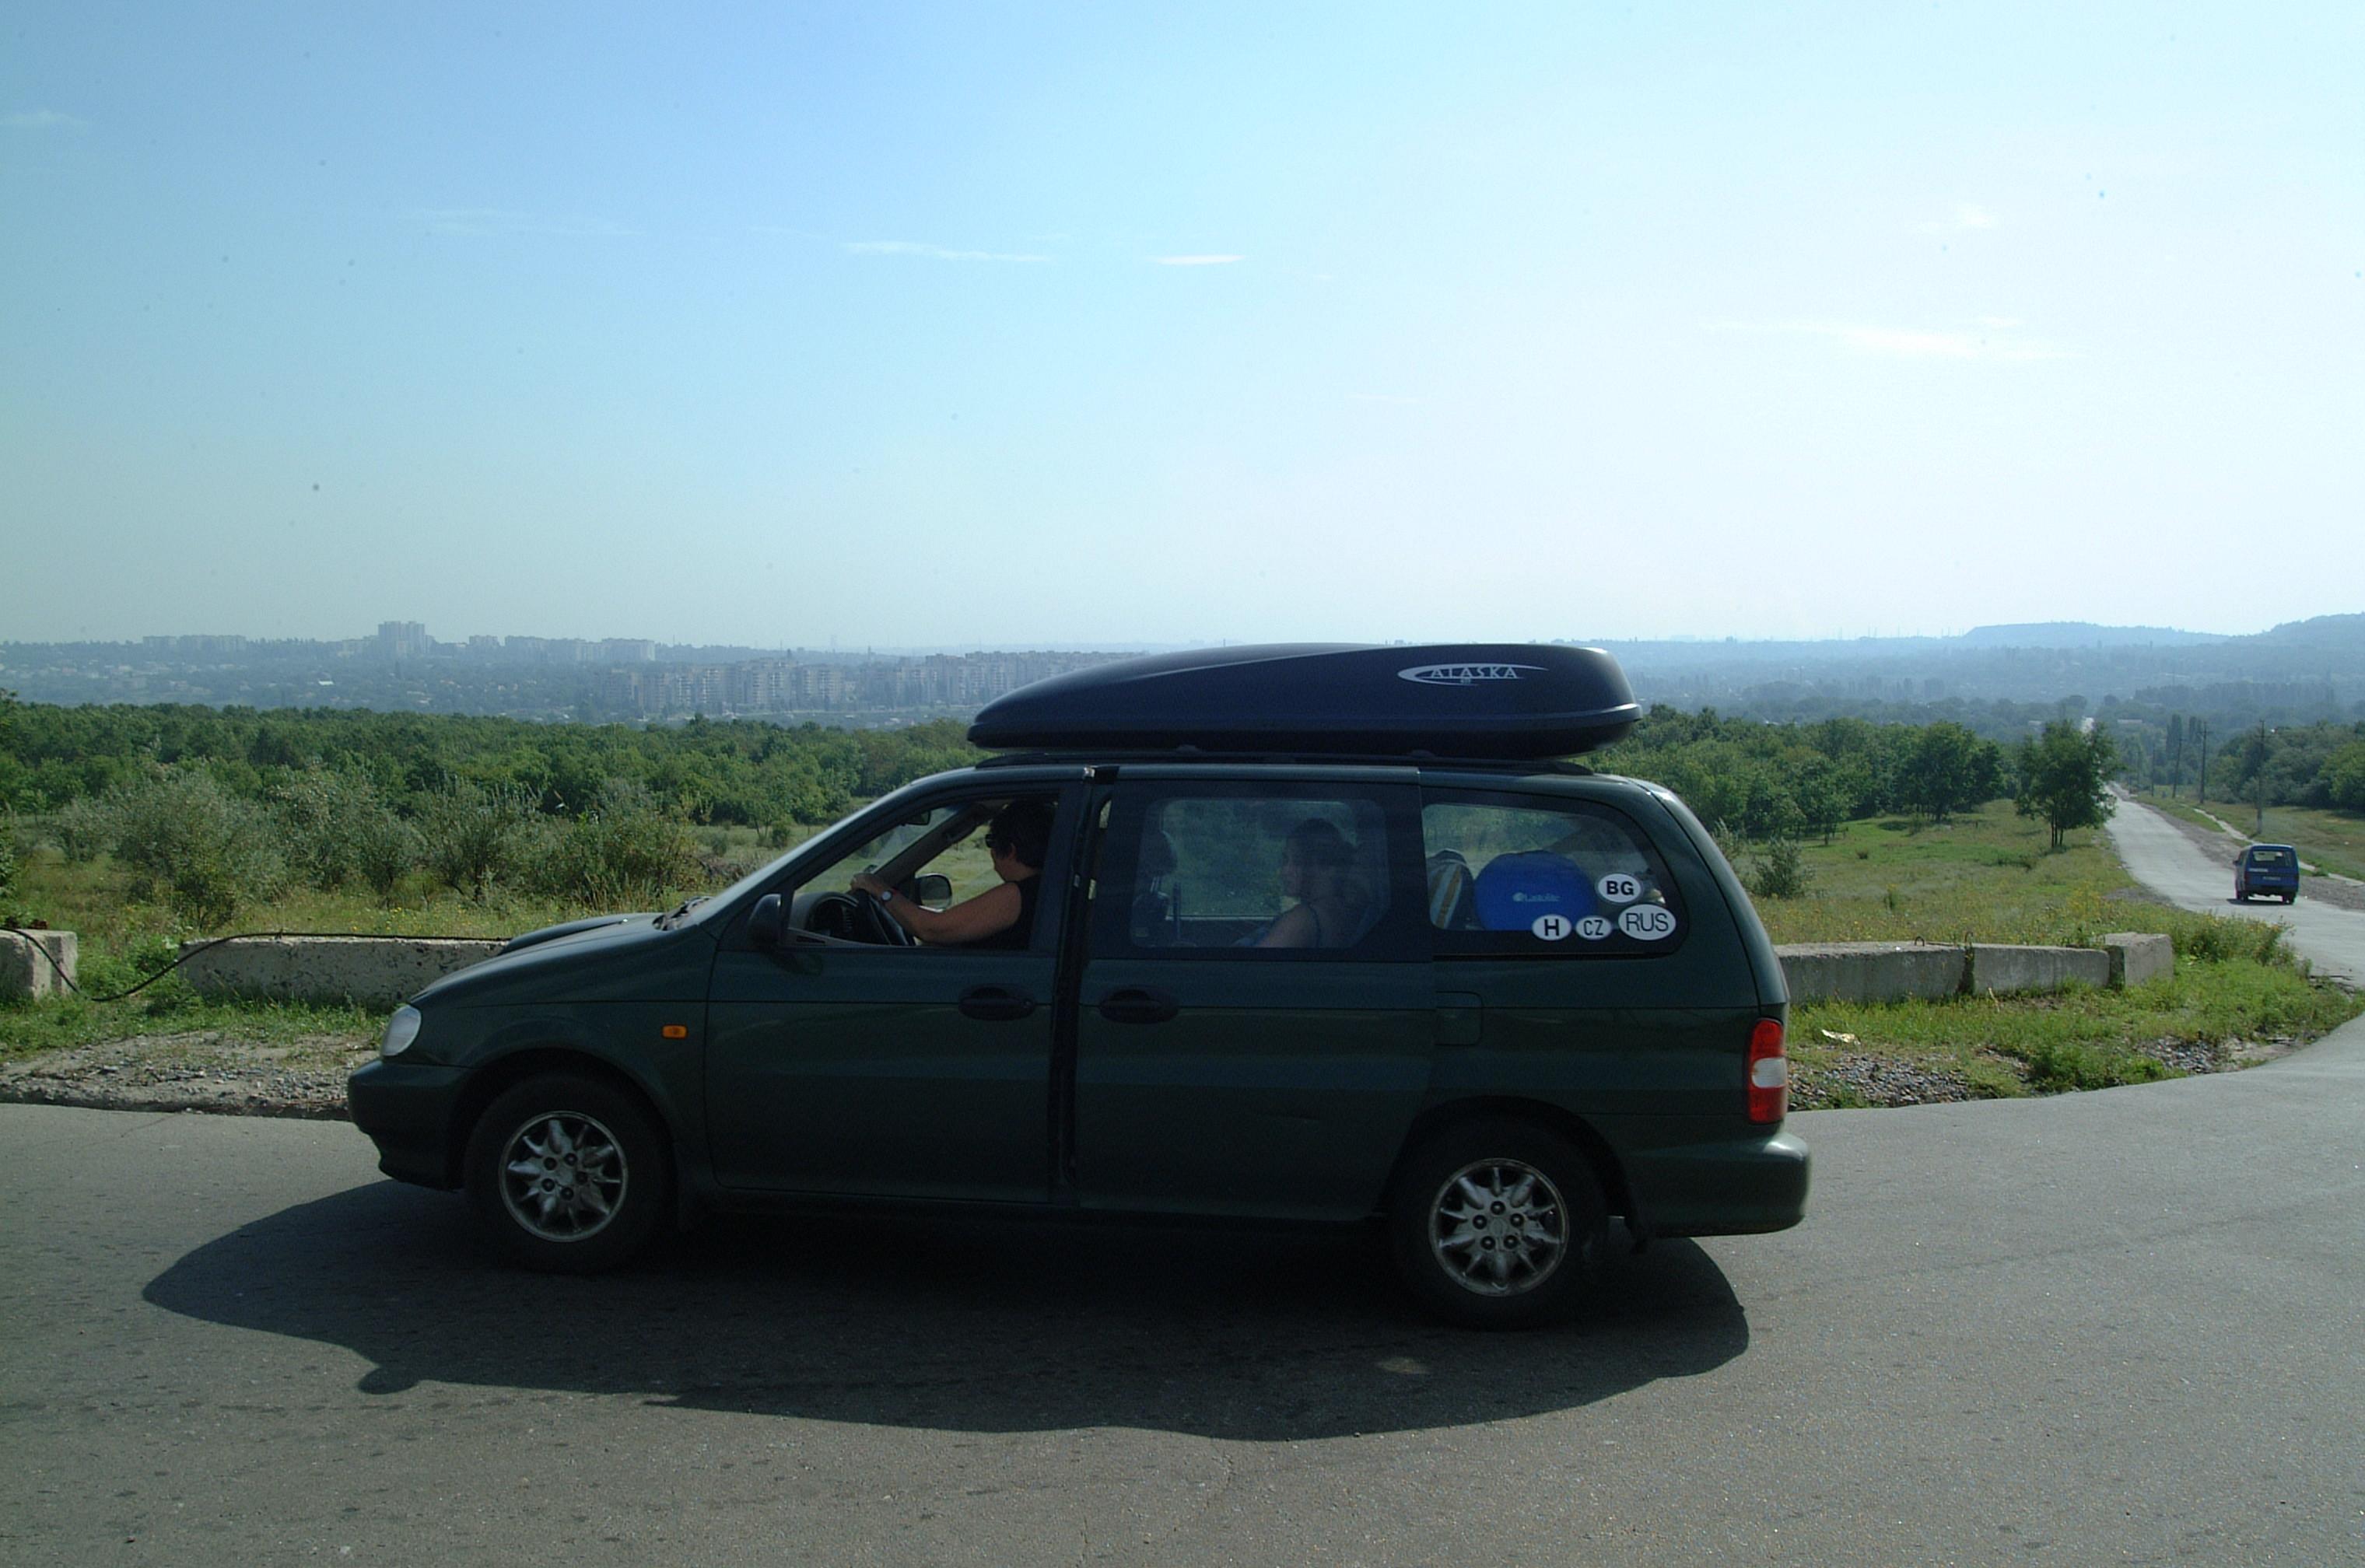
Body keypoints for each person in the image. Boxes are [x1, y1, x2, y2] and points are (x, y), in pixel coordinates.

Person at [850, 798, 1054, 948]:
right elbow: (948, 923)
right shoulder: (1047, 891)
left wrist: (879, 889)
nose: (991, 852)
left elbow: (931, 929)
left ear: (1010, 850)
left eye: (991, 842)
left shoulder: (1018, 895)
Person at [1256, 817, 1368, 949]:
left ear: (1328, 867)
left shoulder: (1301, 921)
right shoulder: (1346, 911)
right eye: (1285, 860)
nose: (1285, 871)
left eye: (1298, 862)